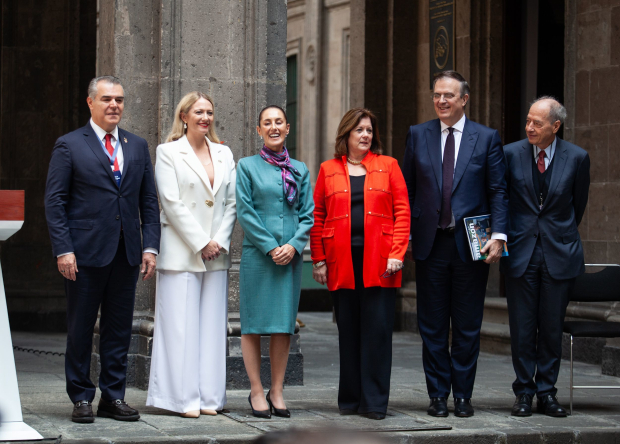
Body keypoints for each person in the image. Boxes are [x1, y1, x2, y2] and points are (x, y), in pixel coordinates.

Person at [44, 76, 160, 423]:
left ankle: (113, 396)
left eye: (120, 100)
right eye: (107, 99)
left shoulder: (137, 145)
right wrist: (64, 249)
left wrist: (150, 246)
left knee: (119, 328)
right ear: (90, 102)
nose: (114, 105)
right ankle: (81, 397)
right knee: (81, 327)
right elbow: (55, 201)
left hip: (126, 253)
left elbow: (148, 201)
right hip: (83, 253)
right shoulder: (69, 145)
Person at [402, 70, 509, 417]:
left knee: (466, 325)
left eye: (448, 95)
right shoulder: (418, 135)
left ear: (464, 99)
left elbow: (497, 191)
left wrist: (499, 235)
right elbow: (408, 191)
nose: (441, 101)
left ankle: (463, 395)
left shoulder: (487, 137)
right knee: (431, 326)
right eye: (436, 95)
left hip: (470, 246)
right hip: (431, 244)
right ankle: (437, 395)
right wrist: (406, 235)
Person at [310, 108, 410, 420]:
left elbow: (402, 212)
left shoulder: (388, 165)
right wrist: (319, 259)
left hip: (381, 262)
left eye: (368, 130)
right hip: (341, 261)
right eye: (359, 130)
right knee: (348, 331)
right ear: (346, 136)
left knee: (377, 332)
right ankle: (350, 400)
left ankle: (375, 402)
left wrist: (397, 252)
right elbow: (317, 216)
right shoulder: (328, 169)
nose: (365, 135)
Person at [146, 92, 237, 418]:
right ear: (184, 116)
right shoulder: (168, 152)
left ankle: (210, 398)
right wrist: (202, 241)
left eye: (210, 112)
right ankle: (180, 400)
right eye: (199, 111)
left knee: (212, 328)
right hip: (182, 252)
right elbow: (170, 203)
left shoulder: (225, 153)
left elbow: (231, 203)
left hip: (216, 255)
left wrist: (219, 241)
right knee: (179, 328)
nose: (205, 117)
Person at [501, 97, 590, 418]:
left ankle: (547, 393)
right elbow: (502, 199)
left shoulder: (577, 157)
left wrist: (555, 234)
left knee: (551, 329)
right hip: (521, 254)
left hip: (559, 254)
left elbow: (576, 206)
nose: (529, 127)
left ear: (556, 126)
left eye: (537, 123)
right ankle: (524, 392)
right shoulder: (510, 154)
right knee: (523, 328)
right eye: (527, 121)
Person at [236, 105, 314, 419]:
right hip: (258, 256)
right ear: (259, 130)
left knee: (283, 326)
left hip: (290, 259)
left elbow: (307, 215)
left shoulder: (301, 169)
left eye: (278, 122)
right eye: (267, 123)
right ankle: (256, 389)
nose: (273, 127)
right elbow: (245, 211)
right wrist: (271, 247)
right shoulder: (246, 166)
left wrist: (293, 246)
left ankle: (277, 389)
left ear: (288, 127)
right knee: (252, 325)